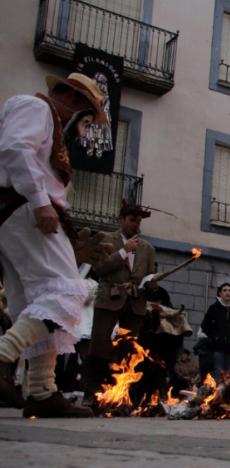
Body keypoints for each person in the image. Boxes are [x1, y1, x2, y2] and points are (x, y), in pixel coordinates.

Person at [0, 72, 109, 417]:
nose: (84, 129)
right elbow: (15, 148)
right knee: (66, 293)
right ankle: (3, 356)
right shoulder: (35, 107)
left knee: (37, 301)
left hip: (18, 212)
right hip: (25, 210)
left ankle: (41, 391)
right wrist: (40, 202)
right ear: (75, 101)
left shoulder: (41, 114)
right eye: (88, 119)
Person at [83, 201, 156, 405]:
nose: (136, 225)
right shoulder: (107, 239)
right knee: (99, 344)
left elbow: (149, 275)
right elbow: (100, 268)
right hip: (109, 298)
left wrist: (151, 284)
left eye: (139, 221)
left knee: (128, 349)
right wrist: (124, 251)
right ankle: (92, 392)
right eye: (132, 220)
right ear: (121, 220)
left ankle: (119, 395)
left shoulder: (148, 249)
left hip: (135, 303)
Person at [201, 283, 230, 380]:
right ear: (220, 293)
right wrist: (214, 337)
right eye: (224, 290)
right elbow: (205, 326)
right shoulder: (214, 308)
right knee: (218, 375)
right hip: (218, 349)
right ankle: (218, 394)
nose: (227, 293)